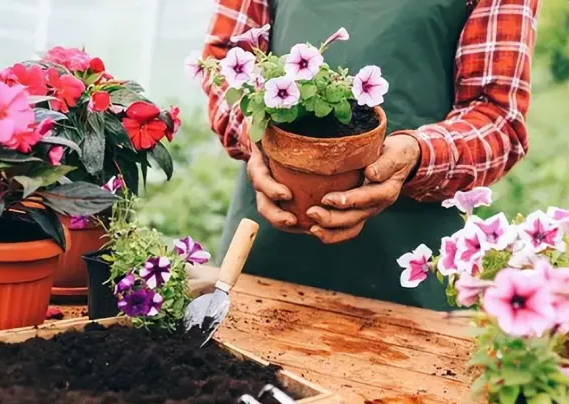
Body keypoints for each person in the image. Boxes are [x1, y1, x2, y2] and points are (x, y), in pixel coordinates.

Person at [201, 0, 539, 311]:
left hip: (408, 264)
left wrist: (416, 155)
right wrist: (254, 135)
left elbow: (497, 117)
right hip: (270, 242)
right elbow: (226, 58)